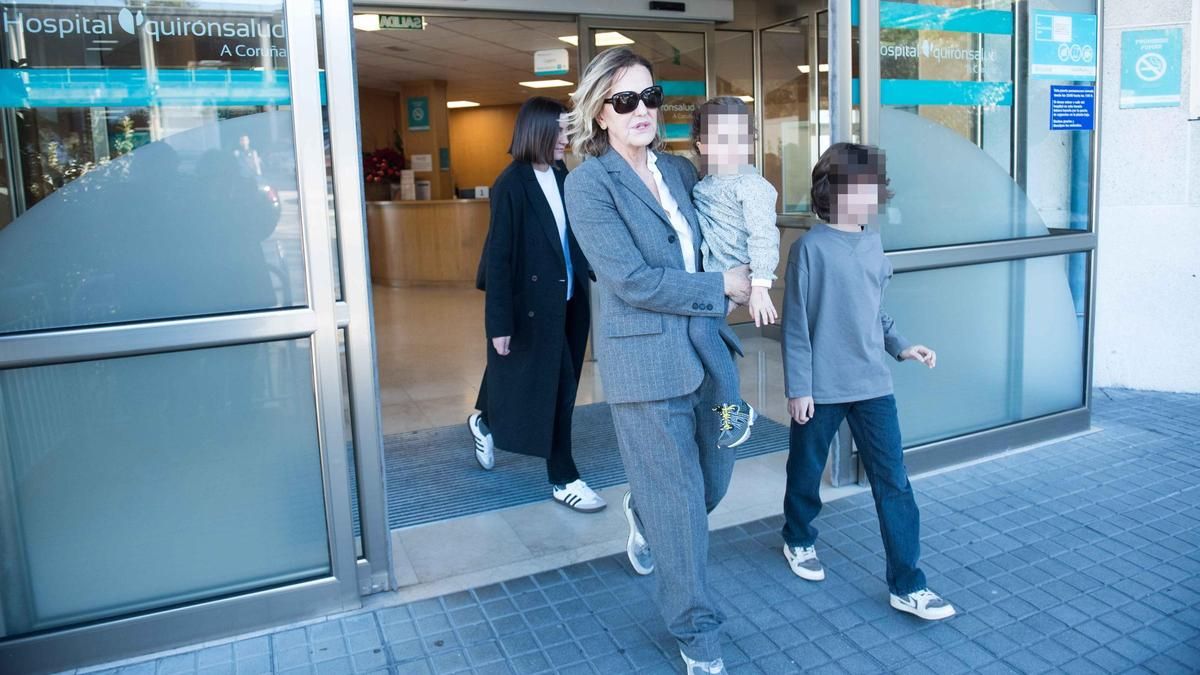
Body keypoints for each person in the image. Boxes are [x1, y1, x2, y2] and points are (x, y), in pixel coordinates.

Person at [563, 47, 751, 675]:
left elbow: (721, 230)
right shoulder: (588, 184)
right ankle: (698, 634)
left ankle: (642, 513)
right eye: (625, 100)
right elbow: (633, 280)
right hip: (644, 367)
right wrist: (722, 285)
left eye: (650, 97)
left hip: (707, 353)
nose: (641, 110)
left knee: (713, 483)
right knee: (680, 508)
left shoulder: (679, 172)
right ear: (600, 115)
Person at [780, 142, 956, 621]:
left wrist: (901, 346)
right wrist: (799, 388)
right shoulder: (809, 249)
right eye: (862, 186)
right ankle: (797, 537)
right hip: (821, 387)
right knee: (805, 468)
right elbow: (796, 325)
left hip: (873, 385)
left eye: (875, 187)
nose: (873, 196)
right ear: (833, 189)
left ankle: (908, 584)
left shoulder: (874, 243)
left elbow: (874, 312)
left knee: (893, 482)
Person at [467, 96, 605, 514]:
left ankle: (485, 420)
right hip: (532, 304)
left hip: (568, 299)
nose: (567, 138)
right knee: (558, 387)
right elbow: (500, 257)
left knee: (530, 374)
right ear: (538, 131)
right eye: (561, 130)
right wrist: (499, 326)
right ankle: (563, 477)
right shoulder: (511, 184)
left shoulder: (563, 173)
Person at [689, 95, 782, 448]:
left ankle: (735, 405)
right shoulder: (702, 185)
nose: (732, 146)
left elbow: (764, 234)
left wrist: (759, 285)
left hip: (735, 279)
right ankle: (728, 403)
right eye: (720, 138)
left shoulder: (751, 185)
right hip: (713, 282)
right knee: (703, 334)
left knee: (701, 332)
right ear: (702, 144)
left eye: (740, 137)